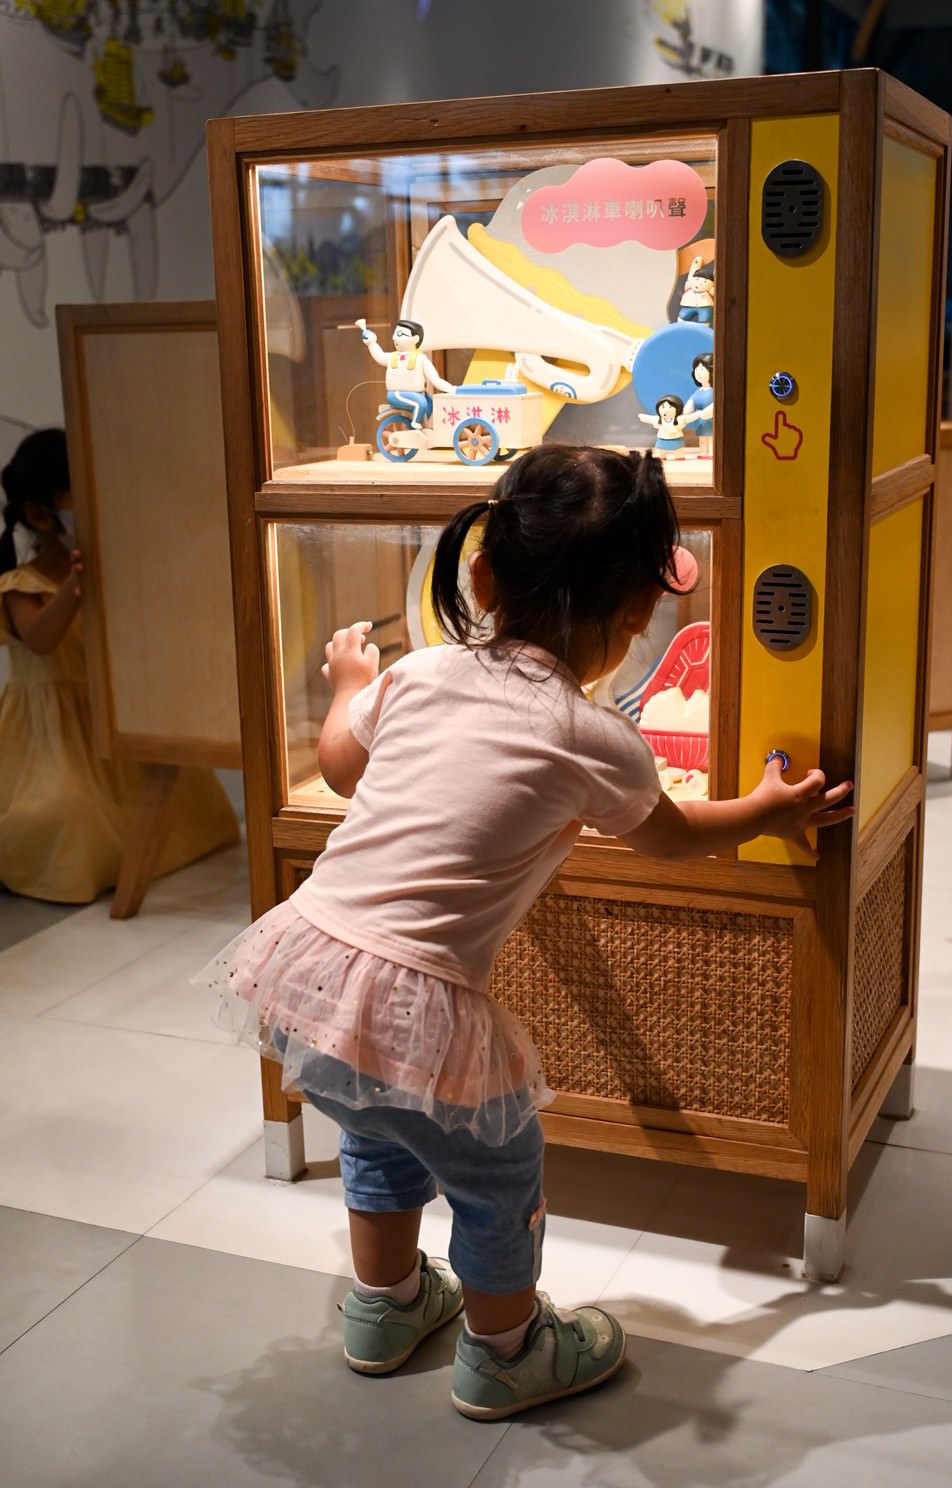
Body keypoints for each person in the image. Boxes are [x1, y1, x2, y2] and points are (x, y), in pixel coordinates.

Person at [195, 445, 853, 1421]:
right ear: (636, 618)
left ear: (480, 574)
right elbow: (671, 840)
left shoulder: (415, 674)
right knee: (497, 1176)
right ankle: (505, 1351)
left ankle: (384, 1307)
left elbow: (337, 768)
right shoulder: (590, 738)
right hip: (414, 998)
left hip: (306, 978)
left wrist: (345, 681)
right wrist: (764, 807)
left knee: (376, 1138)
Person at [0, 427, 239, 904]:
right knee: (69, 814)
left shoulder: (113, 569)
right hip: (49, 733)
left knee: (188, 803)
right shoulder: (19, 582)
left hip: (108, 714)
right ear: (39, 515)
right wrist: (75, 582)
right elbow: (42, 640)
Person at [355, 316, 454, 428]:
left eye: (400, 334)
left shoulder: (421, 359)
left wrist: (452, 389)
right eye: (395, 333)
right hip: (397, 394)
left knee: (430, 403)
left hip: (418, 394)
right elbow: (379, 356)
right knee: (420, 403)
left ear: (415, 339)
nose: (394, 338)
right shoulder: (392, 357)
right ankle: (415, 425)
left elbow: (435, 380)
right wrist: (372, 344)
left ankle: (425, 426)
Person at [681, 351, 714, 458]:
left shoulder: (715, 391)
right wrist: (685, 414)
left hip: (712, 420)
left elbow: (715, 405)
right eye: (696, 369)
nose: (698, 372)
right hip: (700, 421)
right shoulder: (698, 391)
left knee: (711, 437)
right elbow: (691, 403)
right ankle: (703, 452)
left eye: (702, 369)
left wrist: (707, 412)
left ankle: (712, 452)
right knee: (702, 438)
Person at [677, 255, 715, 325]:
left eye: (704, 281)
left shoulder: (711, 289)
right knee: (682, 318)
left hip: (704, 306)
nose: (700, 283)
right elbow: (692, 273)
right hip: (688, 305)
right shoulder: (689, 285)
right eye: (697, 279)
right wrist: (696, 263)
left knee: (704, 320)